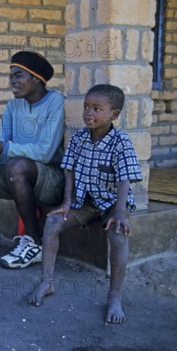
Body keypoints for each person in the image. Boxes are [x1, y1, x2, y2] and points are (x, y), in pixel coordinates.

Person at [28, 84, 142, 324]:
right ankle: (47, 282)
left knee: (119, 235)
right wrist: (68, 202)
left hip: (112, 203)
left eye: (97, 109)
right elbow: (68, 169)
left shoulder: (121, 142)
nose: (88, 113)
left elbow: (124, 180)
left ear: (114, 115)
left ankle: (114, 297)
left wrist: (119, 212)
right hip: (84, 202)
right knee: (53, 222)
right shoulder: (79, 137)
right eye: (86, 107)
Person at [0, 51, 65, 269]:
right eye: (11, 76)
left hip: (51, 179)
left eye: (18, 75)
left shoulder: (56, 103)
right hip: (16, 174)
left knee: (17, 165)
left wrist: (0, 147)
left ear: (36, 78)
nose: (12, 81)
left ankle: (34, 244)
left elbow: (45, 153)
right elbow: (2, 150)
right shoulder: (13, 106)